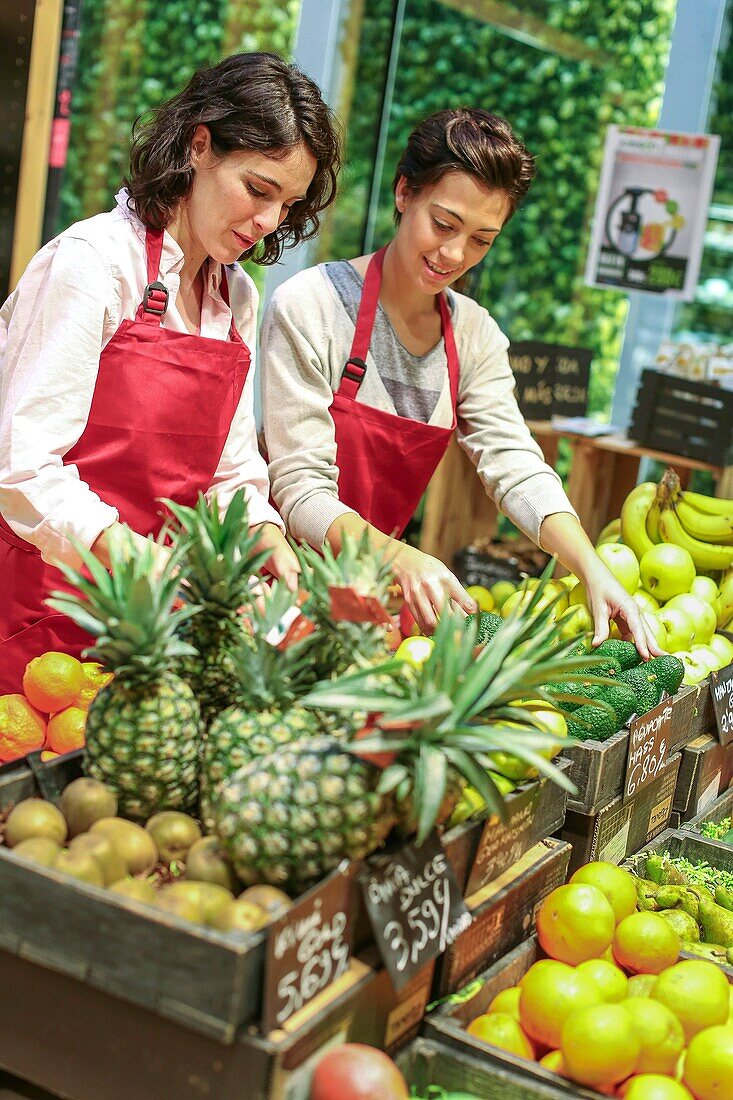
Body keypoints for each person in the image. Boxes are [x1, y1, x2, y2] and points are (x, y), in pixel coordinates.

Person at [0, 52, 341, 694]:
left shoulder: (235, 295)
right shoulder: (94, 265)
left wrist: (267, 540)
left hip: (150, 637)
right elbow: (22, 468)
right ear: (198, 146)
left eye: (287, 204)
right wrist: (151, 564)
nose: (269, 223)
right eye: (258, 190)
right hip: (38, 623)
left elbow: (229, 471)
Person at [261, 107, 660, 654]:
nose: (454, 255)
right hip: (278, 593)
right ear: (404, 193)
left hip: (371, 600)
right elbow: (301, 488)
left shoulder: (473, 335)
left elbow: (514, 464)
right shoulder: (311, 306)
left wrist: (589, 566)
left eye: (481, 240)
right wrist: (402, 556)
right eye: (444, 225)